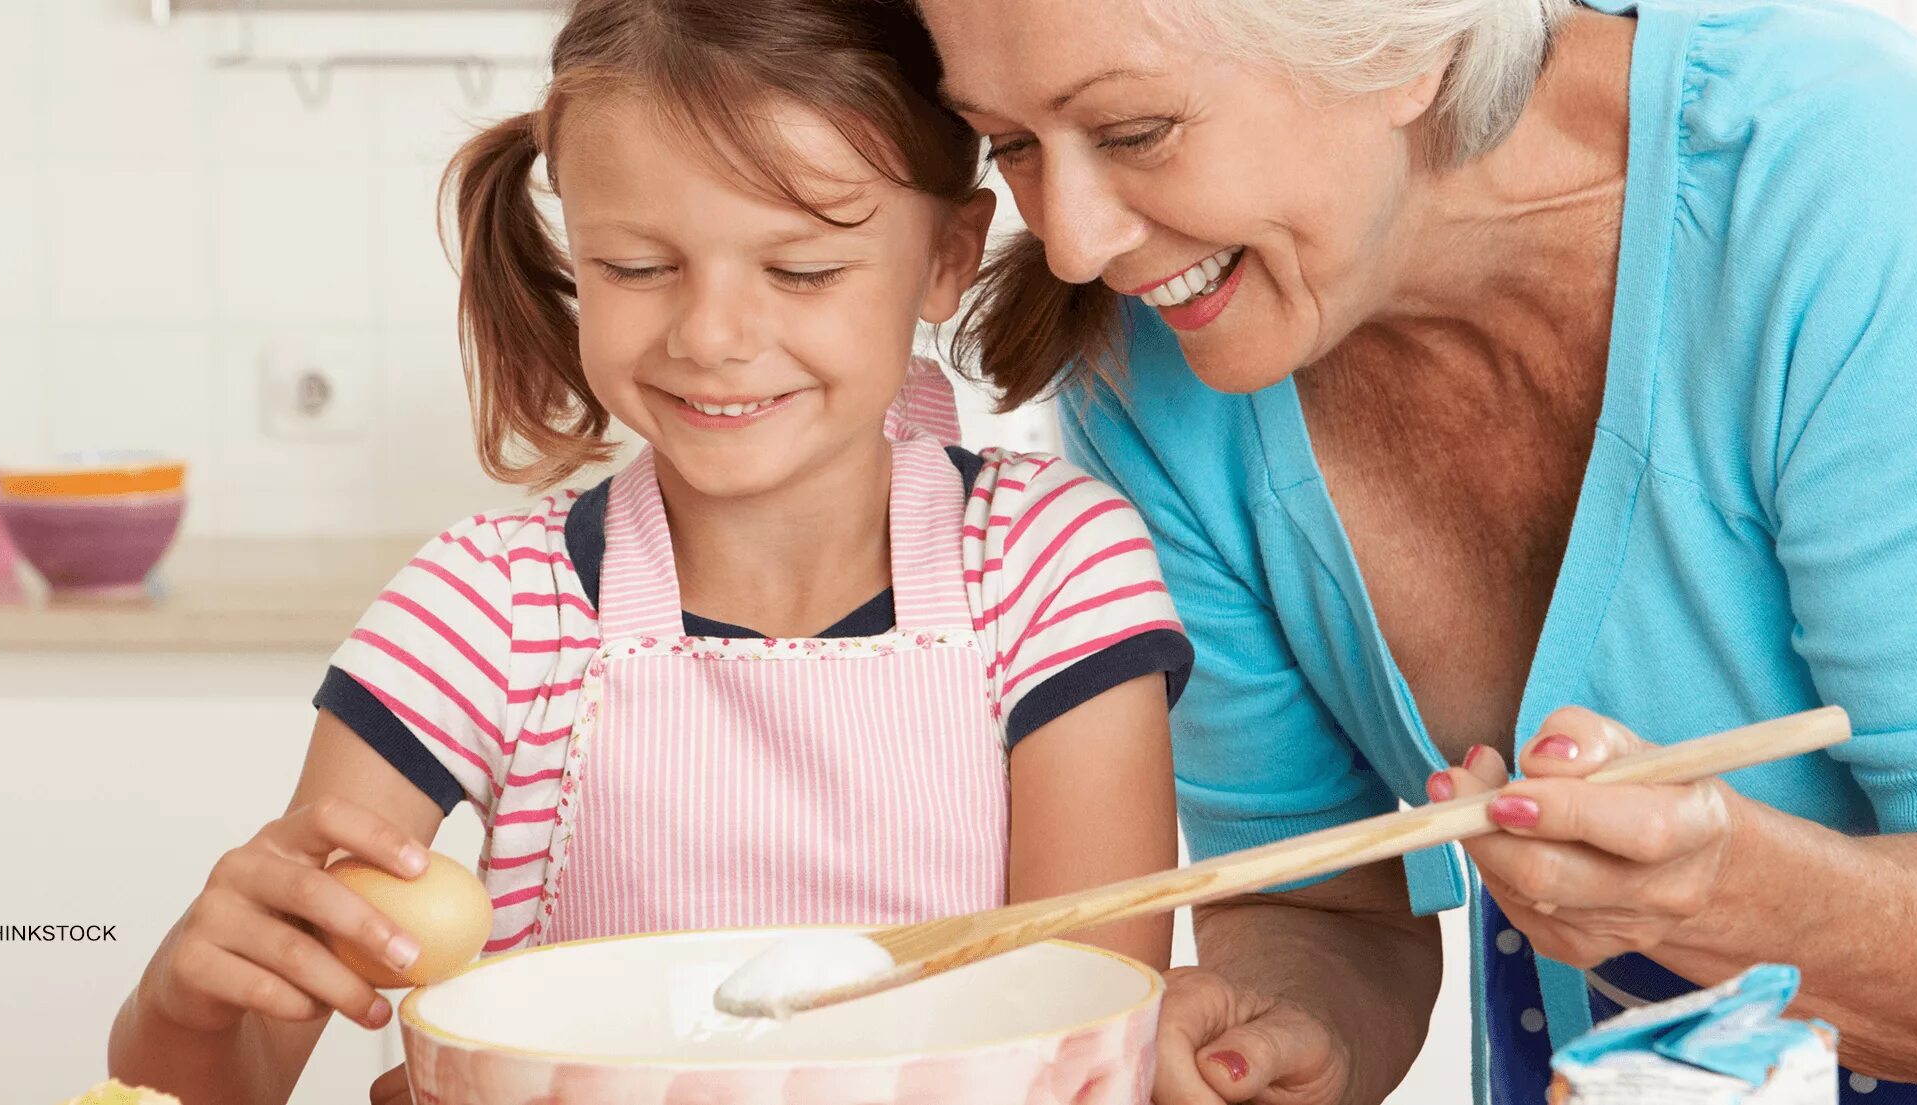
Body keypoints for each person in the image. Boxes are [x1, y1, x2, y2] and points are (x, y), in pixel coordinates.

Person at [914, 0, 1917, 1101]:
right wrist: (1264, 1032)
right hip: (1660, 1019)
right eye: (1010, 146)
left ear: (1405, 40)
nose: (1077, 239)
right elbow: (1318, 903)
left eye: (1133, 131)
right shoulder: (1154, 369)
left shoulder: (1844, 184)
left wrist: (1710, 898)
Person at [105, 1, 1192, 1099]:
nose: (710, 337)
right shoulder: (482, 611)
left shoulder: (1051, 567)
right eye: (634, 267)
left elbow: (1087, 1035)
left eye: (802, 270)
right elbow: (224, 1074)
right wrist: (182, 1010)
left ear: (945, 257)